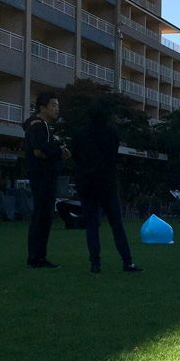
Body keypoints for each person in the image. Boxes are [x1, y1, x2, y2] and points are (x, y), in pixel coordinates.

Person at [71, 104, 143, 274]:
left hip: (87, 184)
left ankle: (95, 262)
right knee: (117, 225)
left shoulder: (80, 134)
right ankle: (127, 261)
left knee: (92, 225)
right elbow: (114, 155)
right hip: (107, 184)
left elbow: (76, 157)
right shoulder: (111, 133)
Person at [23, 92, 70, 268]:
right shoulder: (37, 126)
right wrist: (59, 152)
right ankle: (37, 257)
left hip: (44, 175)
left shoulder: (42, 127)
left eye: (57, 105)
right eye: (53, 105)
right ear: (42, 107)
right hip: (42, 176)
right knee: (42, 216)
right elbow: (39, 150)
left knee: (43, 216)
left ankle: (37, 255)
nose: (57, 109)